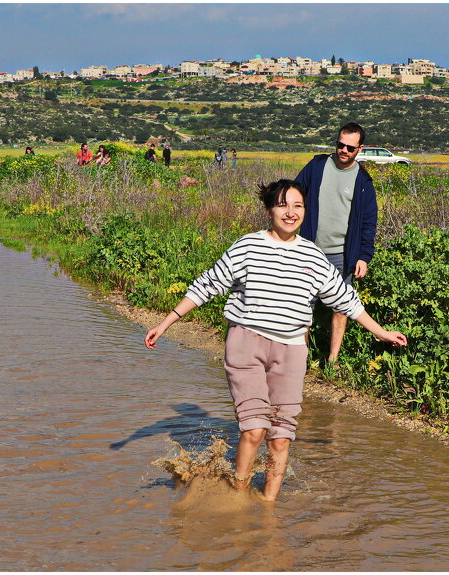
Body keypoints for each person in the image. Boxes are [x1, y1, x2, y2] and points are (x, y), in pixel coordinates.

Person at [145, 179, 407, 502]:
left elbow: (345, 299)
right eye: (283, 205)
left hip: (292, 351)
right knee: (254, 430)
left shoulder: (313, 255)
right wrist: (166, 322)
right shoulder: (247, 246)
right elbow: (207, 285)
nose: (290, 212)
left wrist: (381, 332)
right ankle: (237, 500)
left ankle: (267, 510)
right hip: (246, 344)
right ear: (269, 210)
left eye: (297, 206)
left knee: (280, 438)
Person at [294, 122, 378, 365]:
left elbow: (369, 223)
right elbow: (294, 195)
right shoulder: (317, 166)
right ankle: (300, 357)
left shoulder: (363, 181)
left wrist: (364, 256)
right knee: (303, 306)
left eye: (350, 148)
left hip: (343, 254)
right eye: (340, 145)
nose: (343, 150)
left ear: (359, 149)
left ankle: (332, 360)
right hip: (309, 249)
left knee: (341, 307)